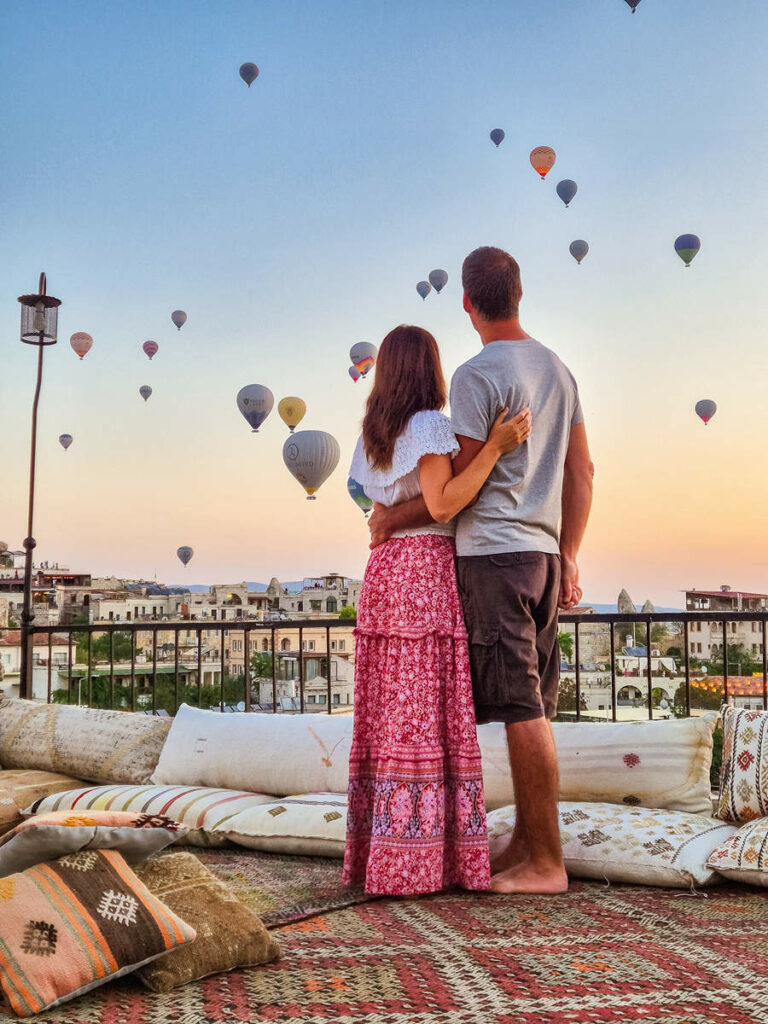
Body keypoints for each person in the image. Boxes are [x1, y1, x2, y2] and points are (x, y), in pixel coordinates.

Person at [368, 247, 594, 894]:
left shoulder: (475, 376)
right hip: (545, 554)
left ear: (466, 303)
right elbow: (582, 472)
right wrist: (570, 551)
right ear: (519, 293)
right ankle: (528, 841)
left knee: (521, 708)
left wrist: (391, 519)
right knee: (536, 704)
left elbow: (454, 490)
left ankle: (546, 862)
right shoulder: (558, 369)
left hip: (496, 553)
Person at [343, 324, 531, 896]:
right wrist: (495, 448)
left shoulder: (375, 430)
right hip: (424, 573)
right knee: (425, 708)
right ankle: (425, 859)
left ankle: (388, 853)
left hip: (385, 575)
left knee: (391, 712)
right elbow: (444, 504)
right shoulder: (428, 425)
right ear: (429, 368)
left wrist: (387, 518)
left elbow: (364, 500)